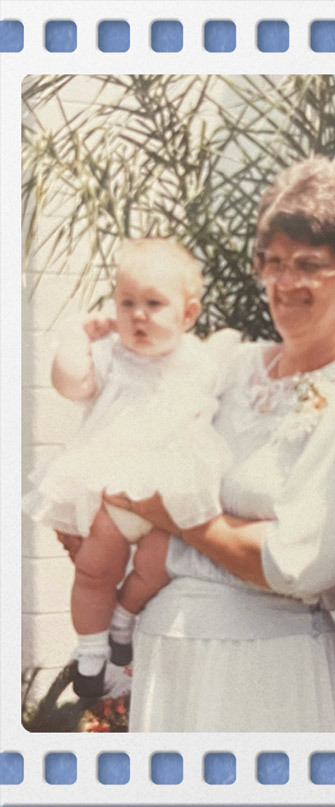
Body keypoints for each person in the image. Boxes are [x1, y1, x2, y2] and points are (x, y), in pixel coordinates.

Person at [89, 156, 335, 731]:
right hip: (169, 656)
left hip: (268, 669)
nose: (284, 283)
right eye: (274, 262)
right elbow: (124, 455)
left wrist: (174, 516)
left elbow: (297, 563)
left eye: (309, 265)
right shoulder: (227, 365)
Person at [27, 238, 233, 698]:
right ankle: (90, 652)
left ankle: (125, 616)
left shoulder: (200, 361)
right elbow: (70, 385)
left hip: (169, 498)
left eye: (153, 304)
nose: (138, 315)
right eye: (127, 303)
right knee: (94, 570)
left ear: (188, 314)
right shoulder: (111, 356)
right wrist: (77, 338)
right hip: (113, 490)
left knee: (157, 569)